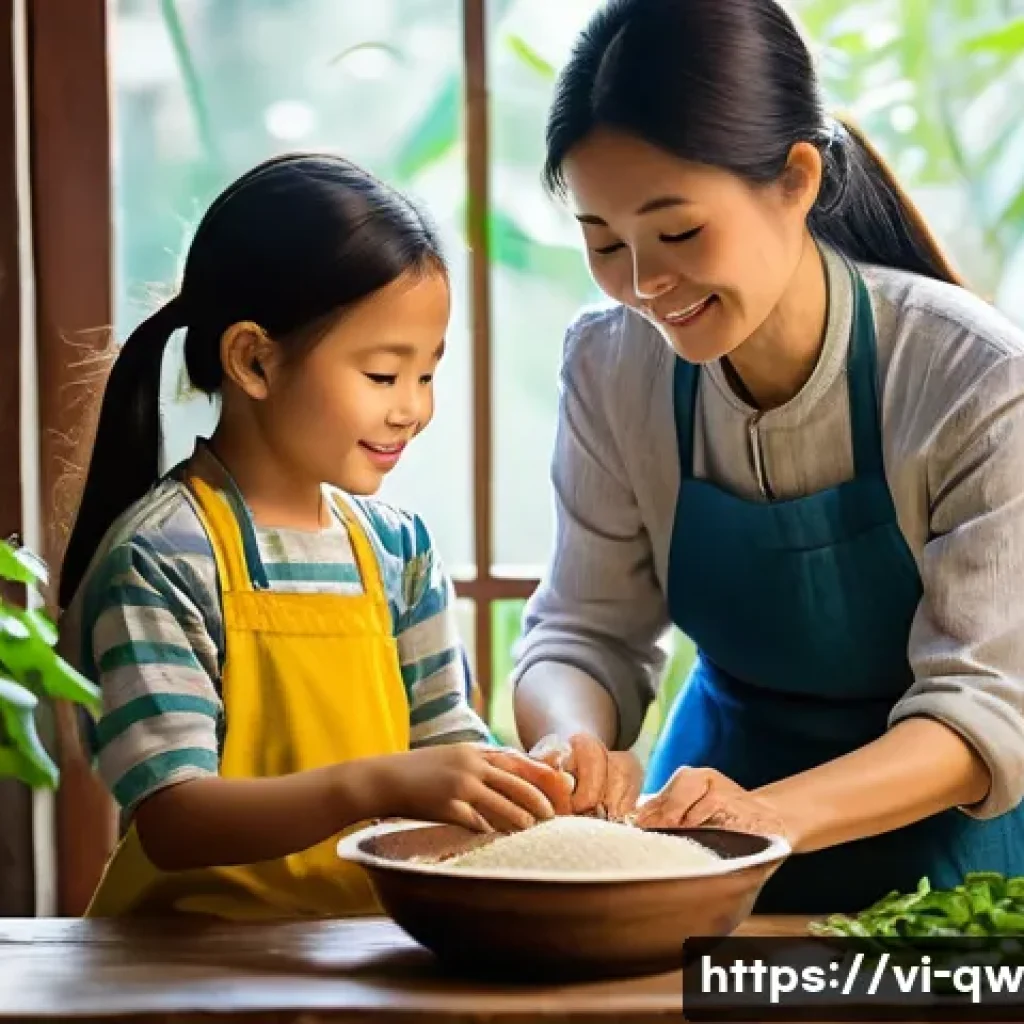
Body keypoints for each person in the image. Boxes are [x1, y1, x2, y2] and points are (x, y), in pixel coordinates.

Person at [511, 0, 1024, 913]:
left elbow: (984, 706)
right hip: (709, 814)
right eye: (604, 242)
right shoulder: (610, 364)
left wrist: (766, 817)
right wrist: (570, 740)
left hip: (948, 845)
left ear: (795, 180)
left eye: (678, 232)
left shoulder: (974, 375)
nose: (644, 284)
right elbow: (584, 631)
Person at [57, 153, 571, 920]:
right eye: (383, 375)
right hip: (186, 960)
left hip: (364, 950)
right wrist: (376, 783)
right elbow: (173, 817)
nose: (413, 410)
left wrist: (532, 783)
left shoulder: (400, 552)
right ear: (254, 360)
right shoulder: (161, 558)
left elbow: (447, 748)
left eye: (427, 375)